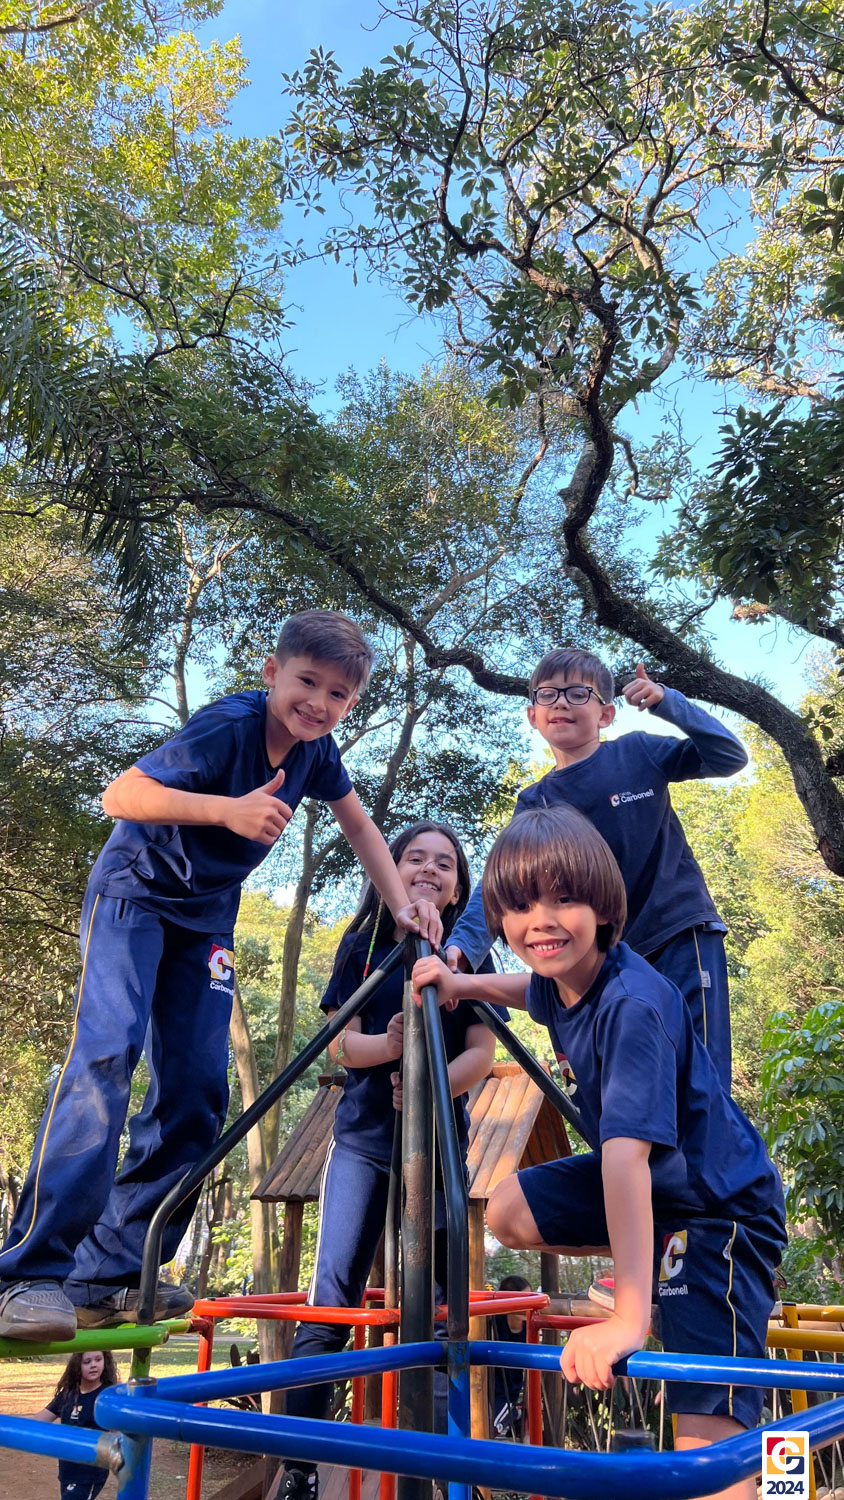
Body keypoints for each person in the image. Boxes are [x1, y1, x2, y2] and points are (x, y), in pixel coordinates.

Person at [0, 612, 443, 1343]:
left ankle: (112, 1270)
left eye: (338, 694)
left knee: (198, 1092)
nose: (319, 703)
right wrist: (226, 811)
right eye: (307, 682)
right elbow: (121, 795)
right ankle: (27, 1271)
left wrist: (401, 907)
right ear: (273, 673)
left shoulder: (318, 753)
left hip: (204, 922)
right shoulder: (229, 725)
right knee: (106, 1056)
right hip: (135, 895)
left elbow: (361, 826)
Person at [413, 805, 786, 1500]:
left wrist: (627, 1321)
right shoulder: (563, 982)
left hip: (720, 1210)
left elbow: (623, 1162)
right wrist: (463, 985)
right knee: (509, 1209)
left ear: (605, 906)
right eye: (520, 906)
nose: (541, 922)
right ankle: (650, 1265)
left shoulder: (632, 1005)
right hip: (665, 1191)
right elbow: (529, 991)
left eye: (564, 900)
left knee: (708, 1450)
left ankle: (654, 1290)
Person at [280, 821, 503, 1500]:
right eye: (414, 858)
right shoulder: (365, 944)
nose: (429, 869)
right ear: (389, 871)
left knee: (440, 1305)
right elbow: (338, 1043)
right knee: (331, 1298)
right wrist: (389, 1048)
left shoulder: (466, 958)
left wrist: (432, 1081)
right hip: (363, 1142)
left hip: (436, 1151)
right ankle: (298, 1469)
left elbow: (482, 1054)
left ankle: (438, 1470)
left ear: (459, 888)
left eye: (445, 863)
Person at [446, 649, 748, 1092]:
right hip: (607, 959)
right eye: (547, 694)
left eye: (577, 693)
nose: (561, 702)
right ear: (532, 715)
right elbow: (500, 885)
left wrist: (668, 702)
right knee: (628, 1086)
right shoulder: (536, 802)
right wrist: (461, 949)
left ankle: (713, 1141)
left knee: (699, 1079)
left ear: (606, 714)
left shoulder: (638, 752)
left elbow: (728, 756)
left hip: (679, 935)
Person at [33, 1349, 119, 1500]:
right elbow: (39, 1420)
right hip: (68, 1471)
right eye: (87, 1361)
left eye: (98, 1359)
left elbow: (118, 1431)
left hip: (90, 1472)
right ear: (77, 1365)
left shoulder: (107, 1396)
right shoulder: (68, 1394)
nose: (93, 1365)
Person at [490, 1273, 531, 1440]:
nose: (530, 1305)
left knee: (492, 1426)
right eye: (525, 1299)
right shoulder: (493, 1323)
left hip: (509, 1394)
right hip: (492, 1389)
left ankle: (515, 1415)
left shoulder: (530, 1327)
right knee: (488, 1425)